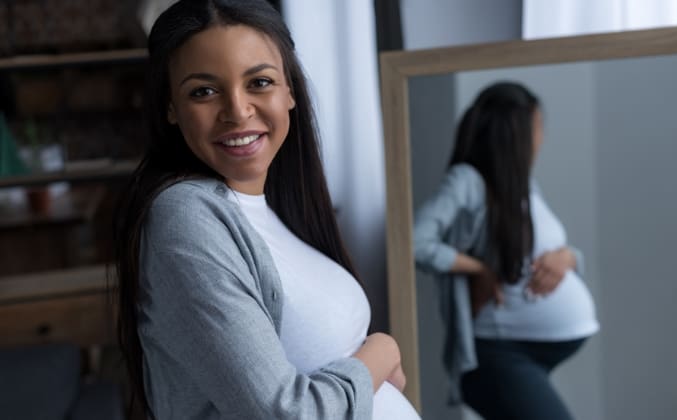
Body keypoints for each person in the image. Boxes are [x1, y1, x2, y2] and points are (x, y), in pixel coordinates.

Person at [113, 1, 420, 419]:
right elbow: (283, 414)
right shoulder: (185, 216)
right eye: (203, 91)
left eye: (259, 82)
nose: (238, 111)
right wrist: (380, 354)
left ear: (289, 91)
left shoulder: (276, 206)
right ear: (170, 107)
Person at [413, 81, 598, 420]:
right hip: (498, 352)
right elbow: (415, 242)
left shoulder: (524, 183)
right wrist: (478, 269)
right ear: (514, 134)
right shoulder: (467, 181)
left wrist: (568, 258)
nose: (541, 138)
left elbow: (542, 247)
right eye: (537, 127)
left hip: (529, 351)